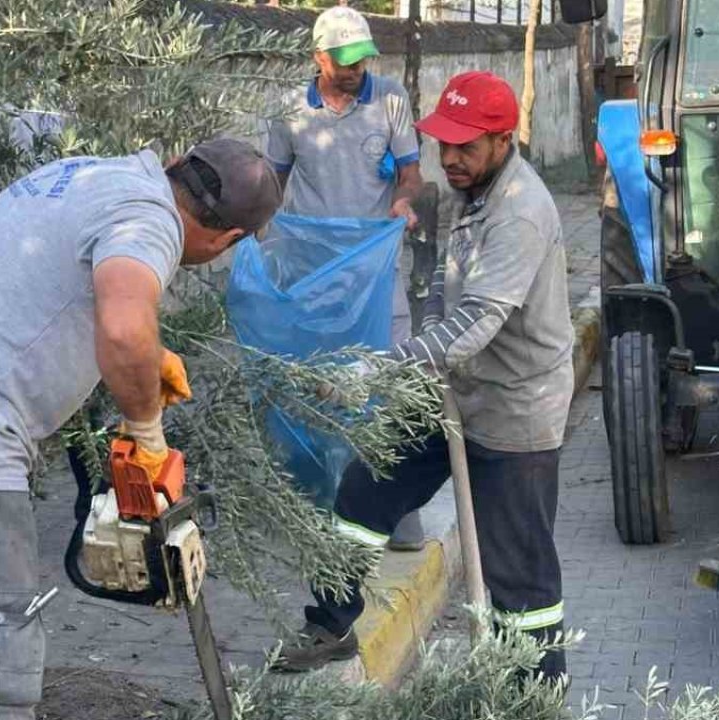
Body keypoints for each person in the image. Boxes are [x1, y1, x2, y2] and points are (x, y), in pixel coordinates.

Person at [0, 139, 282, 719]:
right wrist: (147, 433)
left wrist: (150, 358)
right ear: (228, 239)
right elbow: (125, 331)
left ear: (179, 163)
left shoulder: (100, 176)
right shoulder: (150, 221)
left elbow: (53, 291)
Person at [275, 71, 574, 680]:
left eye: (467, 146)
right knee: (365, 489)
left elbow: (474, 325)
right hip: (450, 389)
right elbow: (444, 289)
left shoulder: (520, 211)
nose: (452, 158)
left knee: (516, 573)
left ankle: (530, 696)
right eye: (445, 144)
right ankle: (330, 622)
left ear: (502, 139)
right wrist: (424, 307)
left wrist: (377, 368)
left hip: (515, 407)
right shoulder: (470, 191)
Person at [265, 5, 428, 551]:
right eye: (345, 60)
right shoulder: (289, 110)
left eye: (363, 60)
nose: (356, 70)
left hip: (377, 268)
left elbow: (411, 173)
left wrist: (403, 202)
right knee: (318, 379)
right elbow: (273, 183)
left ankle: (400, 511)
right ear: (320, 58)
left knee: (391, 374)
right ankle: (319, 498)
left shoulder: (390, 99)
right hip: (315, 272)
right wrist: (253, 240)